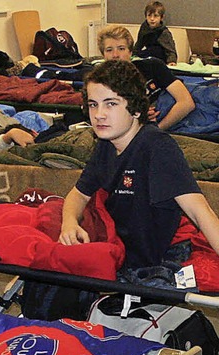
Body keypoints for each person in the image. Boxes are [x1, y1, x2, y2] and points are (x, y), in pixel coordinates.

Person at [59, 59, 219, 272]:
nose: (99, 114)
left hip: (150, 260)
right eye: (93, 104)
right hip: (119, 251)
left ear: (135, 109)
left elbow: (200, 210)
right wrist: (68, 223)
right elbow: (79, 194)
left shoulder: (156, 147)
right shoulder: (106, 144)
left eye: (111, 104)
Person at [97, 25, 194, 130]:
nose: (115, 55)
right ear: (103, 55)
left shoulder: (152, 66)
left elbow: (186, 102)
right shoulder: (100, 82)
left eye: (121, 48)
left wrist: (157, 130)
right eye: (109, 50)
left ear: (130, 52)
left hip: (177, 121)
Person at [133, 1, 178, 66]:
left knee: (155, 51)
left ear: (161, 18)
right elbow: (139, 43)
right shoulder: (144, 27)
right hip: (148, 54)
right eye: (149, 16)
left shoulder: (164, 32)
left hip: (161, 57)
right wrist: (132, 55)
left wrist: (172, 61)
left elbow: (170, 50)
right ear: (146, 16)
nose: (152, 19)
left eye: (155, 16)